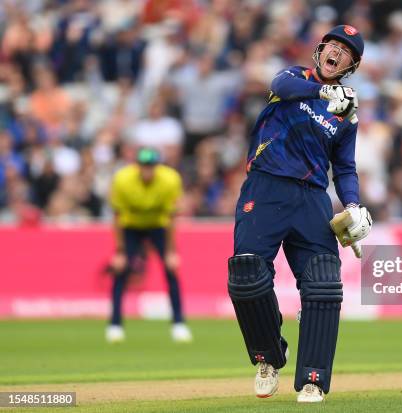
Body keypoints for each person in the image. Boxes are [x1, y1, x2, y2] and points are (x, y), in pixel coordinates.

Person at [227, 25, 372, 403]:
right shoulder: (294, 78)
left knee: (323, 284)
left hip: (311, 198)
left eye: (346, 51)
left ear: (351, 64)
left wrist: (353, 205)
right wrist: (324, 91)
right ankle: (269, 356)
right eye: (333, 45)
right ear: (321, 49)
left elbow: (344, 167)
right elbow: (282, 85)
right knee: (246, 273)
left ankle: (313, 378)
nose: (336, 53)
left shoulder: (348, 115)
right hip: (266, 185)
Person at [106, 147, 192, 343]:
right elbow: (117, 217)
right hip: (131, 227)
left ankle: (179, 323)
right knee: (121, 270)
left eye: (151, 167)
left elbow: (171, 218)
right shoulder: (122, 180)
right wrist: (119, 251)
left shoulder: (170, 180)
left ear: (157, 166)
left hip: (158, 226)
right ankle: (115, 324)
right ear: (137, 166)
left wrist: (171, 251)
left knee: (171, 270)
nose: (147, 171)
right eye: (144, 167)